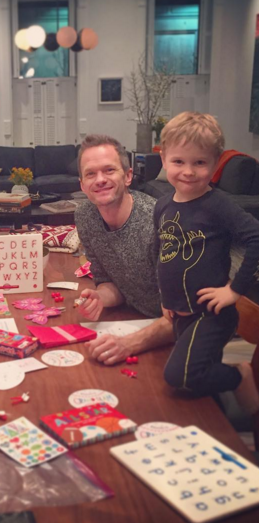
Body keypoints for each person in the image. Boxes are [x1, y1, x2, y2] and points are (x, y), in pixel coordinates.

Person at [155, 111, 259, 413]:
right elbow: (161, 252)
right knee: (199, 380)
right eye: (178, 162)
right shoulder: (162, 205)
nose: (188, 171)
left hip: (212, 312)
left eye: (199, 162)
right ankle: (229, 415)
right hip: (180, 313)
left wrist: (235, 290)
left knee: (179, 375)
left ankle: (238, 375)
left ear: (214, 164)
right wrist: (165, 297)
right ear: (163, 160)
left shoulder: (218, 205)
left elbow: (256, 237)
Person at [74, 134, 174, 365]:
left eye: (109, 170)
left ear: (128, 176)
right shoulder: (85, 216)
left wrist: (128, 344)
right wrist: (100, 297)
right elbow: (109, 280)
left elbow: (184, 314)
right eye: (91, 173)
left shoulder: (161, 222)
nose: (100, 179)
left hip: (183, 332)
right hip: (138, 319)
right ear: (82, 184)